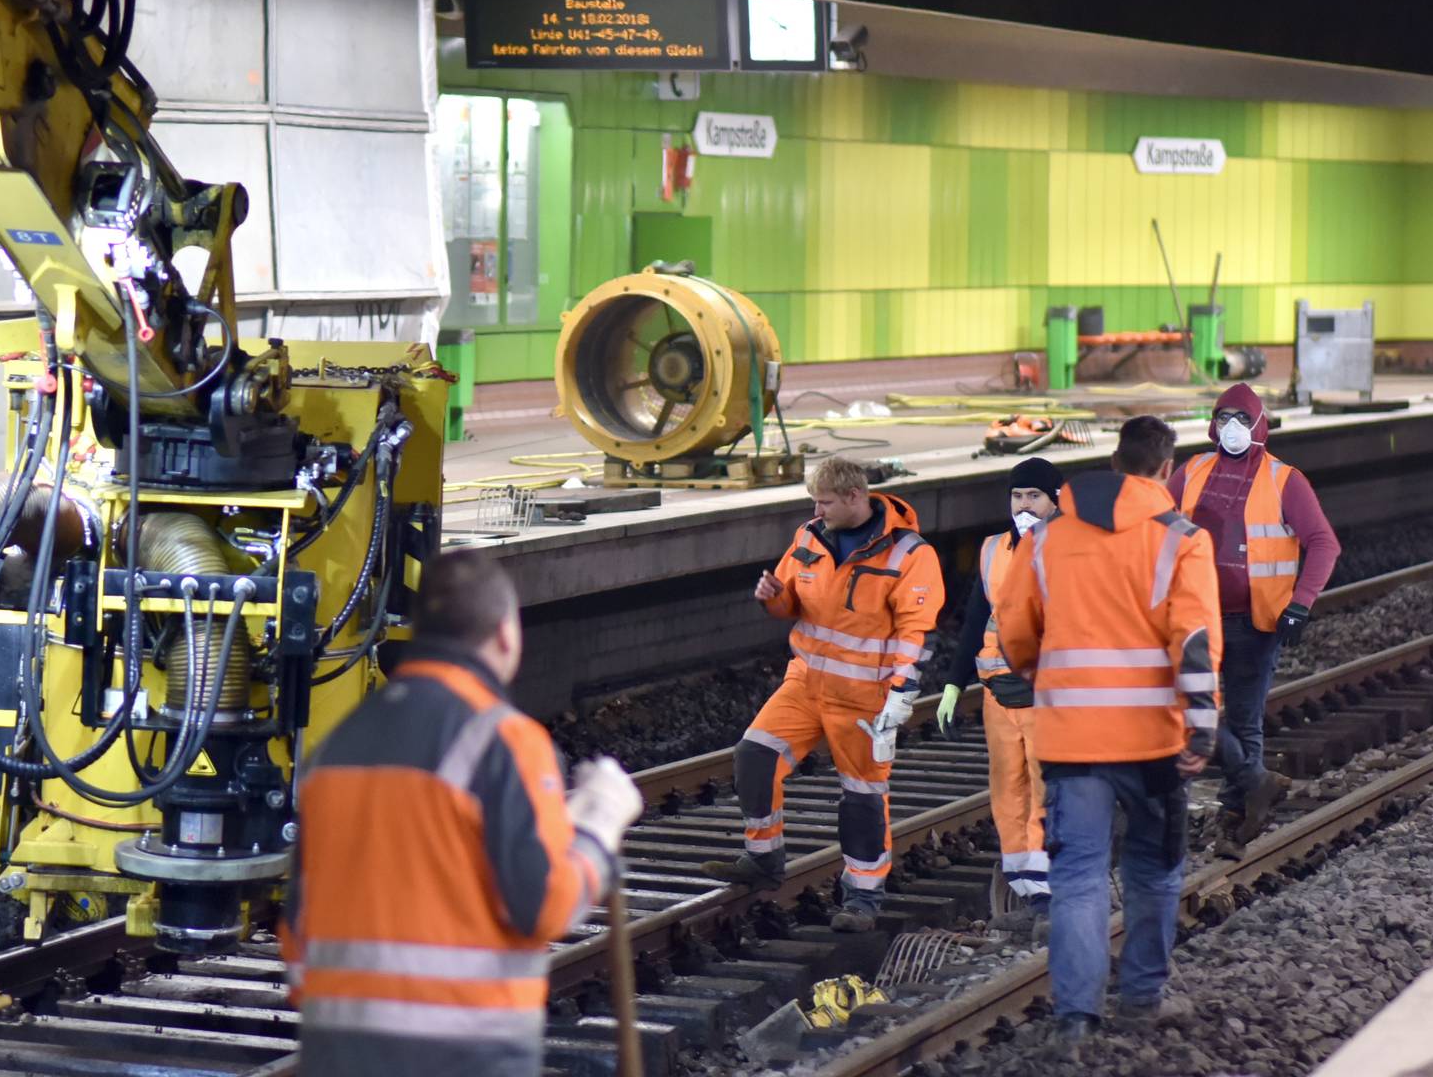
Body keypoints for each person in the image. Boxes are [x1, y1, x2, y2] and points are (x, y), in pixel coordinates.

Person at [283, 549, 643, 1075]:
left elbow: (297, 931)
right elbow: (545, 906)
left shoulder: (335, 749)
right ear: (505, 635)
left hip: (335, 1053)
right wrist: (599, 826)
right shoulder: (502, 740)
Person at [993, 415, 1219, 1046]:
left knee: (1078, 878)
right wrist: (1202, 727)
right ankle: (1142, 1001)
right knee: (1153, 871)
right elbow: (1195, 643)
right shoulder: (1181, 539)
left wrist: (1042, 674)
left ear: (1115, 463)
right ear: (1166, 470)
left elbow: (1014, 629)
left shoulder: (1046, 538)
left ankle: (1076, 1019)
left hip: (1071, 740)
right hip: (1153, 743)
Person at [701, 456, 944, 934]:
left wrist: (901, 693)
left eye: (825, 502)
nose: (817, 510)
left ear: (855, 497)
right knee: (754, 756)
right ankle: (763, 859)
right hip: (805, 684)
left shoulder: (910, 554)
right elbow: (791, 603)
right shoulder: (810, 536)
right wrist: (773, 596)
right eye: (814, 501)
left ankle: (863, 897)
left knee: (862, 797)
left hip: (864, 697)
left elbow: (916, 630)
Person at [1168, 382, 1340, 848]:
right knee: (1184, 711)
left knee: (1243, 720)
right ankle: (1250, 785)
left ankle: (1235, 819)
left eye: (1242, 419)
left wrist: (1300, 603)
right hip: (1194, 618)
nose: (1233, 427)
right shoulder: (1192, 471)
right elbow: (1154, 528)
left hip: (1253, 623)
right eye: (1224, 418)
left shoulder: (1285, 480)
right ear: (1213, 424)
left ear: (1260, 424)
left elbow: (1324, 543)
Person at [928, 456, 1066, 935]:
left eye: (1034, 496)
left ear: (1055, 500)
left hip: (1047, 695)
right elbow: (974, 621)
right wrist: (953, 683)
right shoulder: (992, 550)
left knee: (1049, 791)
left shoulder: (1072, 548)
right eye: (1017, 496)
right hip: (998, 695)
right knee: (1008, 792)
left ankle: (1050, 891)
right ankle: (1027, 887)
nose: (1024, 505)